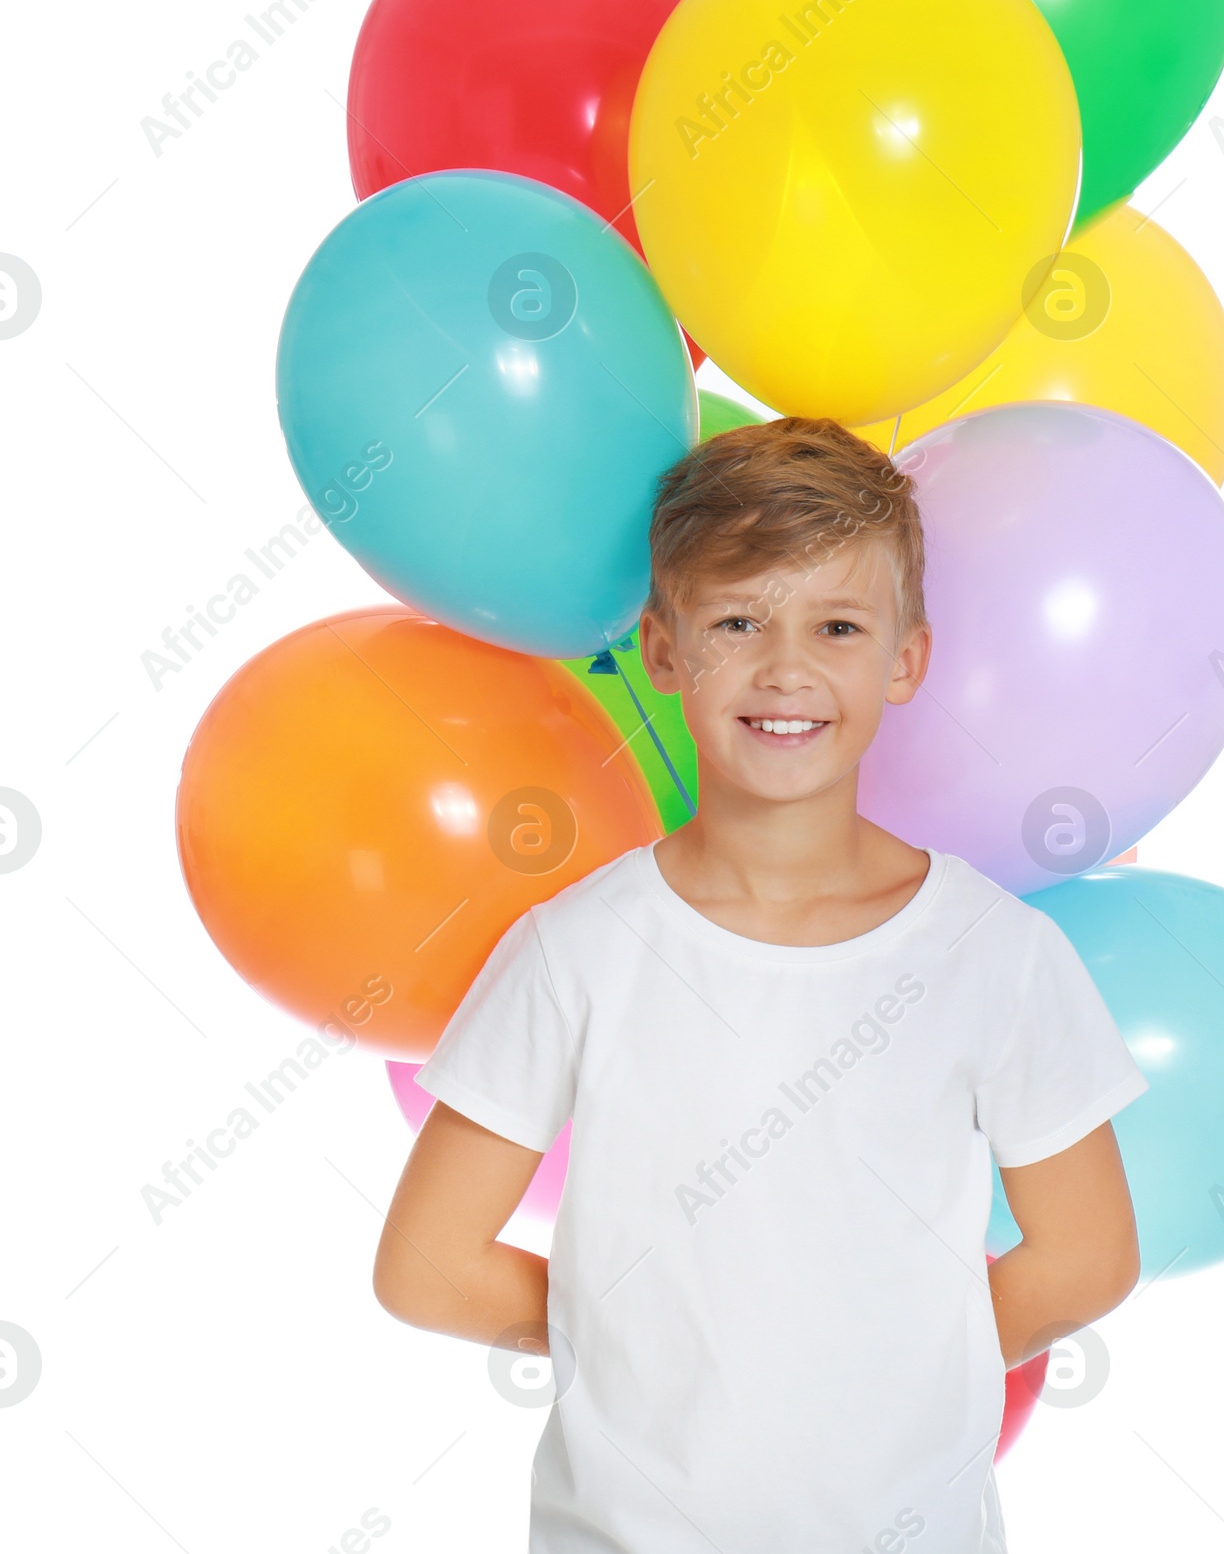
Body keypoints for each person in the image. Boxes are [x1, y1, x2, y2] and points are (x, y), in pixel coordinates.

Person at [373, 416, 1148, 1553]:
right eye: (737, 621)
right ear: (665, 652)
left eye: (836, 624)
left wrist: (889, 1368)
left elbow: (1086, 1256)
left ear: (904, 658)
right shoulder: (575, 951)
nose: (785, 668)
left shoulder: (995, 953)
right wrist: (630, 1335)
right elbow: (427, 1263)